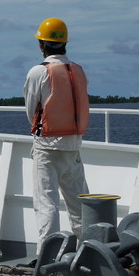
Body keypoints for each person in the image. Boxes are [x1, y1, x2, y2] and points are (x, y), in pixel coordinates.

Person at [23, 17, 90, 253]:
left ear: (41, 44)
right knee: (80, 204)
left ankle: (48, 255)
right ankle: (88, 250)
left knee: (46, 203)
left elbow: (31, 111)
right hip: (73, 145)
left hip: (47, 147)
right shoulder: (78, 71)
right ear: (65, 43)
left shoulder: (38, 72)